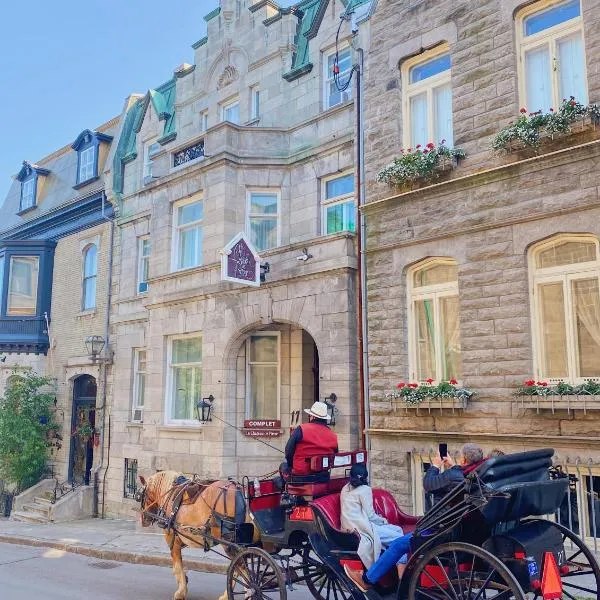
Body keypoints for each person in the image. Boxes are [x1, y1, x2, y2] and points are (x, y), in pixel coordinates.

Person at [344, 443, 485, 592]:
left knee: (398, 545)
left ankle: (367, 579)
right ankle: (400, 577)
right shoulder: (475, 476)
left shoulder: (454, 476)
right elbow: (458, 479)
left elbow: (428, 484)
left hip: (440, 531)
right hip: (460, 529)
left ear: (463, 460)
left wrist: (435, 465)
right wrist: (454, 466)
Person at [340, 464, 407, 569]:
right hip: (362, 529)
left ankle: (392, 561)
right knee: (400, 540)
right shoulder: (364, 490)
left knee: (398, 529)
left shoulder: (345, 488)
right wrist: (383, 521)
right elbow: (371, 516)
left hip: (348, 526)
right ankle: (401, 574)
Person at [284, 401, 338, 477]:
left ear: (313, 417)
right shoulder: (333, 435)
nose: (309, 417)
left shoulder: (301, 429)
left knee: (283, 466)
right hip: (323, 474)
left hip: (301, 473)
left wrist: (290, 466)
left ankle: (285, 487)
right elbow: (335, 454)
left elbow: (288, 451)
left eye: (309, 416)